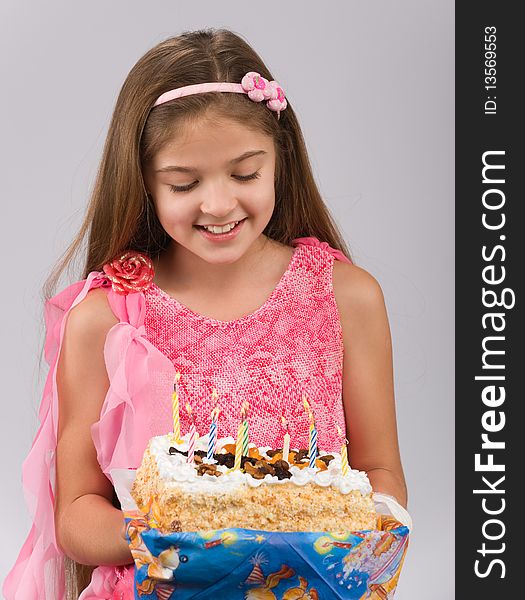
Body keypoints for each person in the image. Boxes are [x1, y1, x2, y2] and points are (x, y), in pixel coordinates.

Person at [3, 28, 408, 600]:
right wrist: (176, 536)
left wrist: (326, 537)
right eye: (184, 183)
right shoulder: (107, 315)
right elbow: (75, 514)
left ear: (280, 160)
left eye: (245, 174)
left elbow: (382, 473)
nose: (218, 204)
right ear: (143, 181)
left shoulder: (347, 297)